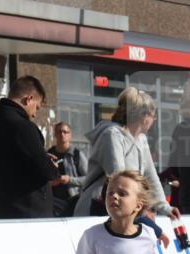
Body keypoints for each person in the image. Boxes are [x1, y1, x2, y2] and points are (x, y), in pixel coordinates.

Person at [75, 88, 180, 220]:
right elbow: (119, 178)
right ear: (144, 117)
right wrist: (141, 210)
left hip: (124, 210)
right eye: (153, 115)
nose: (154, 120)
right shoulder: (112, 135)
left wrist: (165, 208)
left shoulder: (141, 139)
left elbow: (151, 176)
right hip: (97, 209)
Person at [0, 75, 59, 219]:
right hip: (28, 214)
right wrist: (50, 165)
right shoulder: (23, 127)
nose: (34, 114)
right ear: (28, 99)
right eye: (37, 107)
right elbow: (46, 171)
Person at [48, 122, 87, 216]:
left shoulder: (77, 155)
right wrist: (50, 183)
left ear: (70, 135)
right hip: (53, 201)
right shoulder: (48, 154)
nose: (62, 134)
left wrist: (69, 179)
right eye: (59, 132)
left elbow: (88, 178)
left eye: (65, 132)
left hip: (73, 200)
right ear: (55, 135)